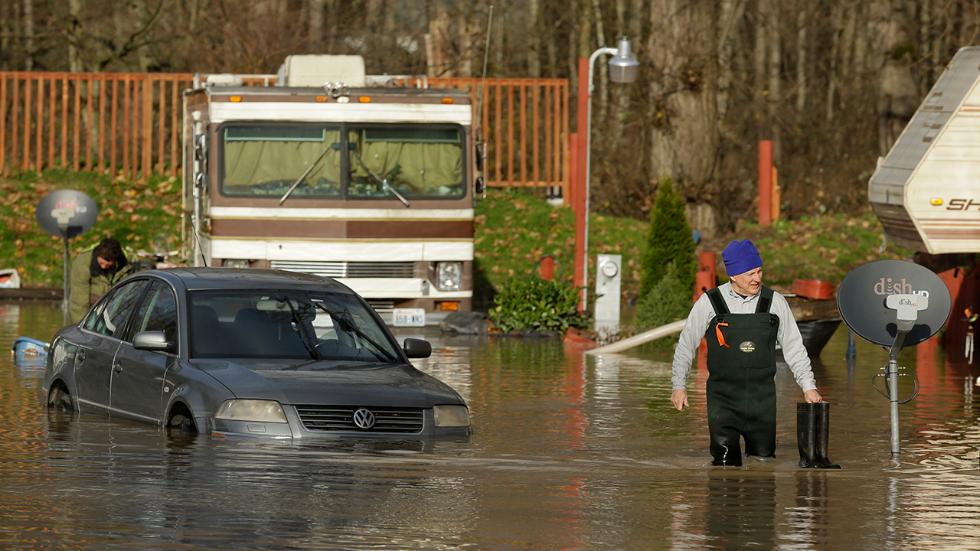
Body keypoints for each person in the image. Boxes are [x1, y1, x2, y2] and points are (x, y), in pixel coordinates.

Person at [670, 239, 823, 466]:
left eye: (760, 271)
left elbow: (794, 348)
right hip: (722, 400)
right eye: (750, 273)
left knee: (763, 466)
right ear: (733, 276)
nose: (758, 278)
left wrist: (809, 387)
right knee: (723, 468)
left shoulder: (775, 303)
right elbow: (685, 345)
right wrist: (678, 386)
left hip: (763, 402)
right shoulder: (709, 303)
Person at [69, 237, 131, 323]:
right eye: (101, 263)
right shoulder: (82, 264)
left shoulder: (123, 266)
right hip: (90, 307)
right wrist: (81, 325)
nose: (103, 267)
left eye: (108, 265)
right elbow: (79, 300)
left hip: (112, 308)